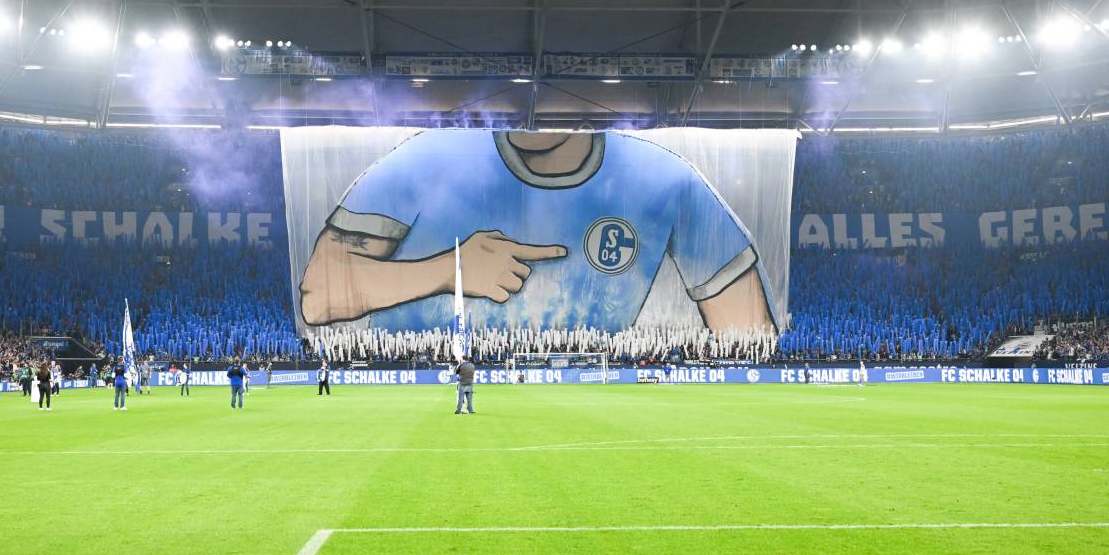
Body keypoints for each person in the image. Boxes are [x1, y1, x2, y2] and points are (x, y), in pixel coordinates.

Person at [298, 130, 778, 335]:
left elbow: (749, 333)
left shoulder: (667, 179)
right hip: (415, 416)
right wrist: (448, 270)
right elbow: (318, 296)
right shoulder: (424, 159)